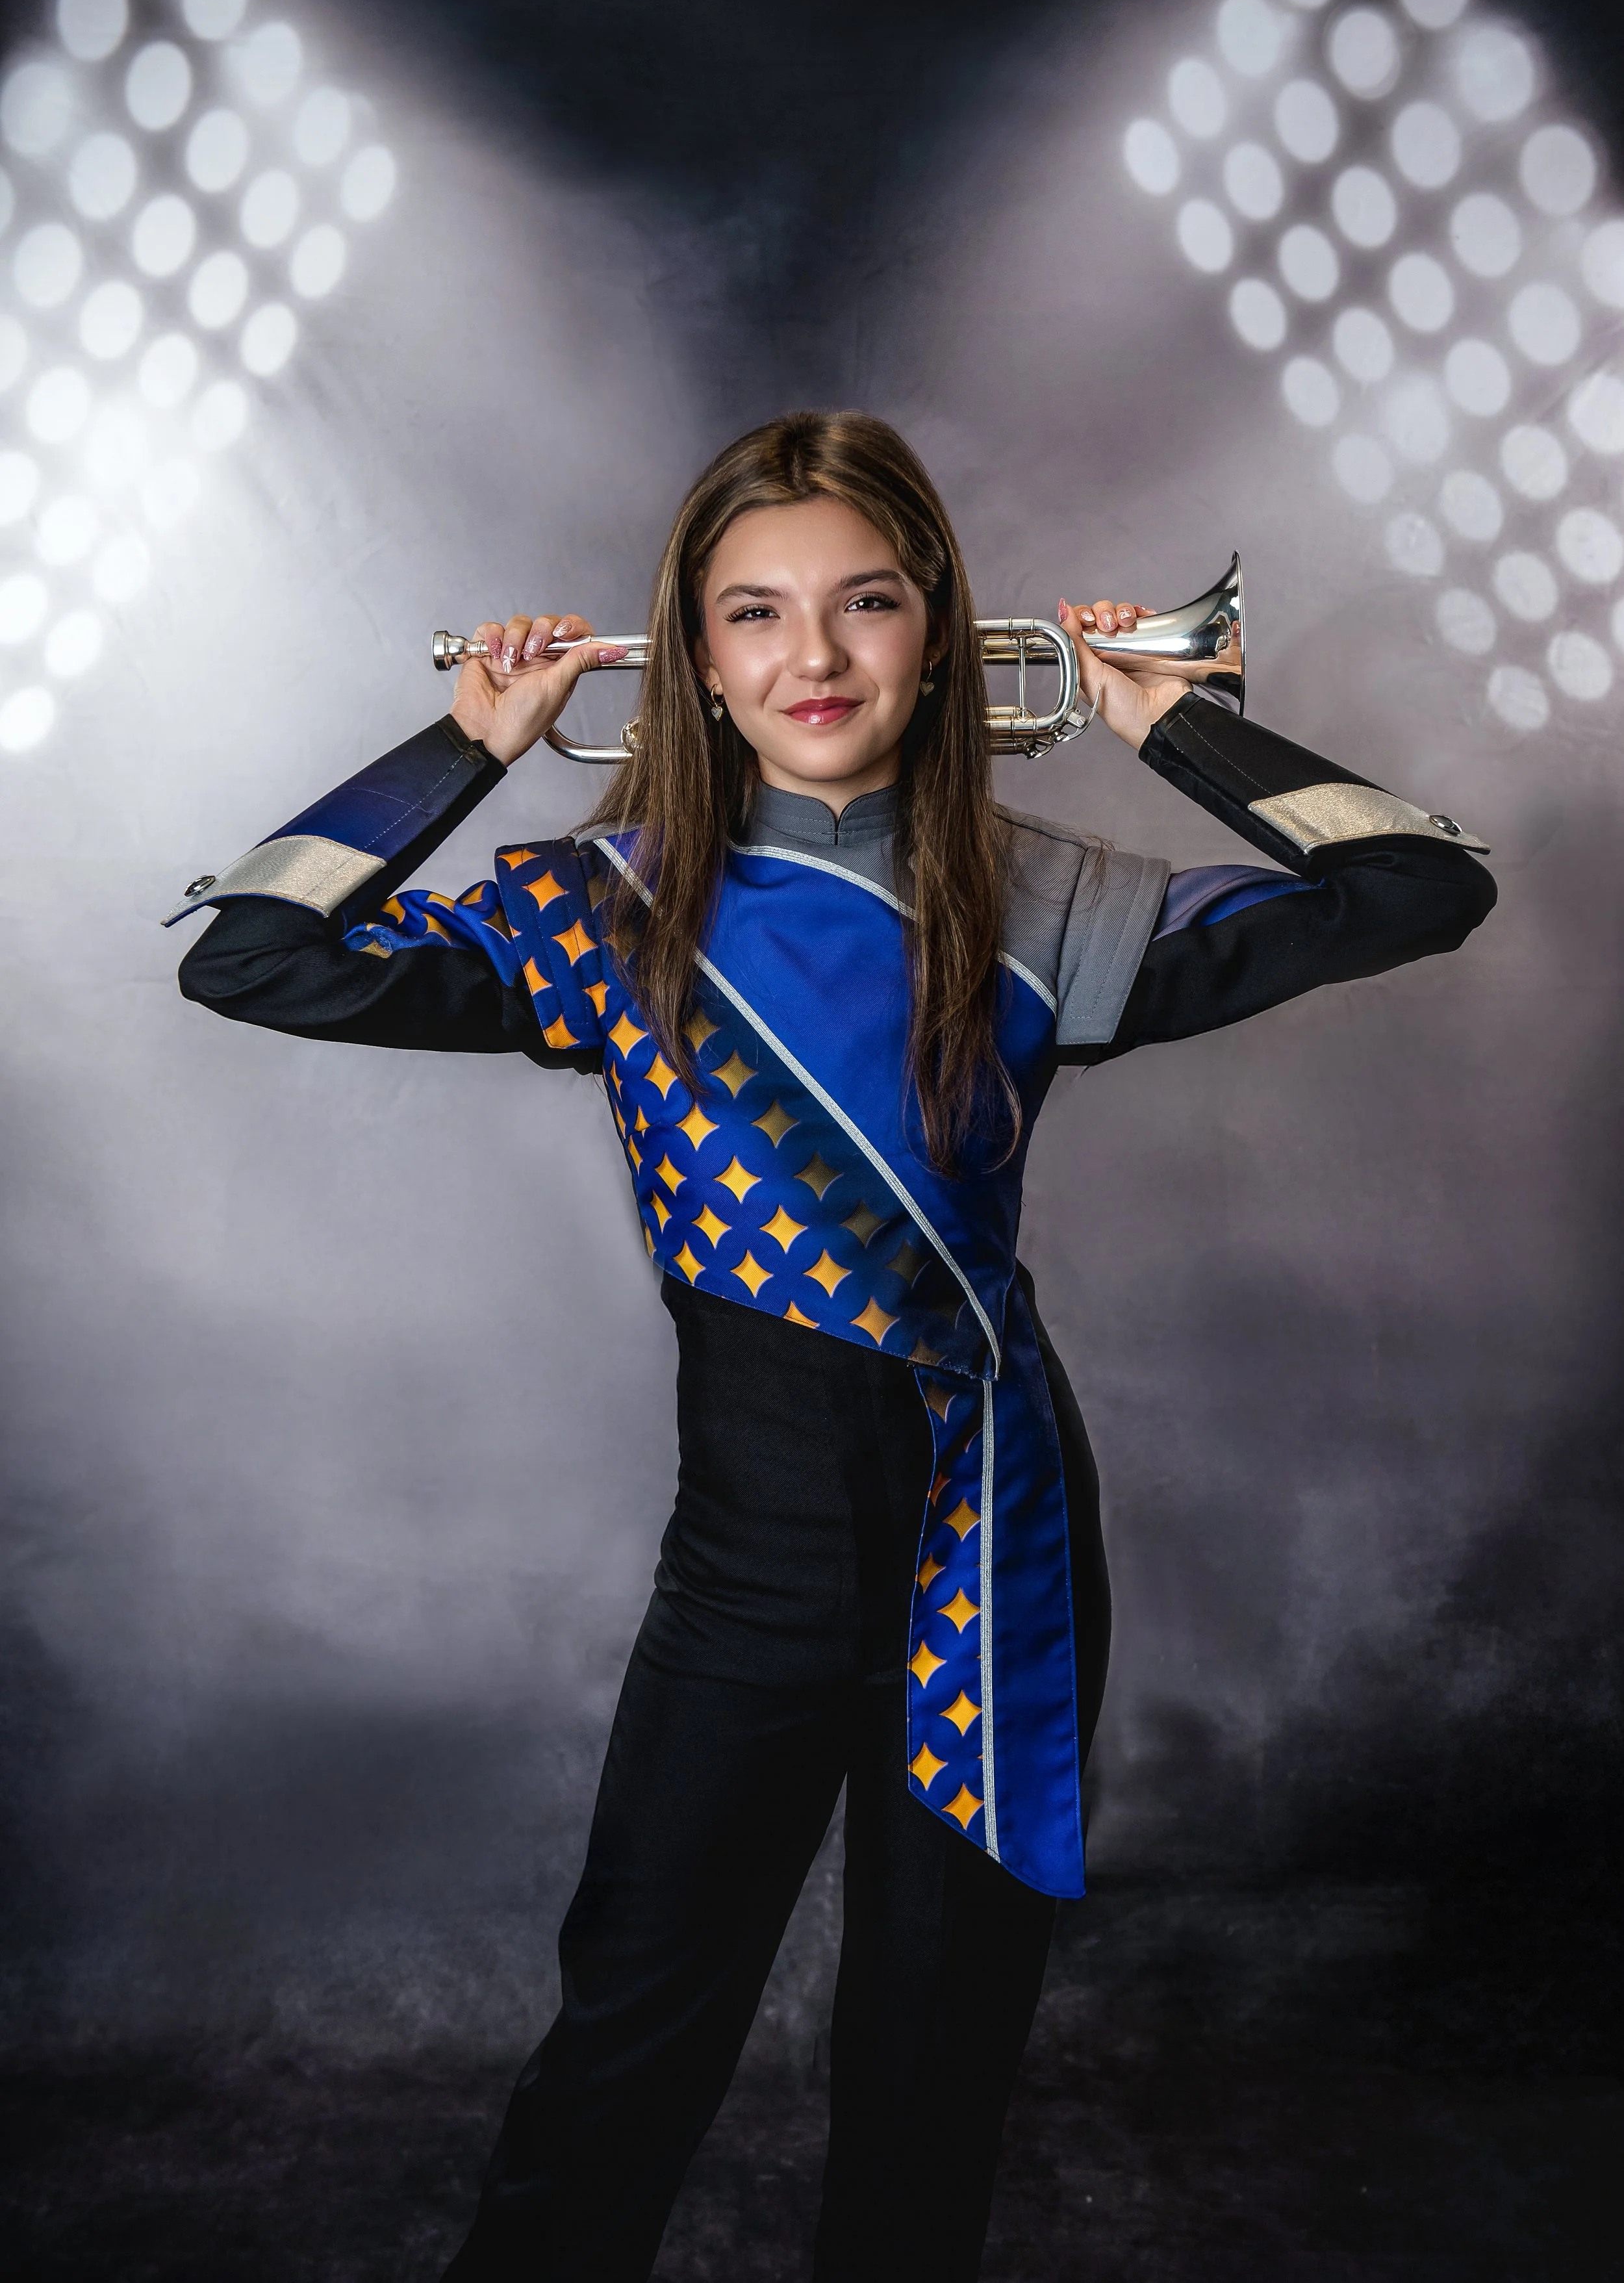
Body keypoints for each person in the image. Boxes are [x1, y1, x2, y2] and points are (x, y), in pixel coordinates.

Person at [170, 411, 1494, 2281]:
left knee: (933, 2082)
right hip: (751, 1579)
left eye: (866, 603)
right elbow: (253, 952)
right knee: (626, 2051)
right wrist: (468, 747)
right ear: (693, 660)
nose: (813, 656)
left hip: (994, 1556)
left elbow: (1418, 887)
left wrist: (1167, 720)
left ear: (939, 633)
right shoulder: (603, 907)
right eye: (754, 613)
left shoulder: (1045, 903)